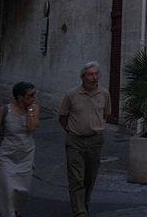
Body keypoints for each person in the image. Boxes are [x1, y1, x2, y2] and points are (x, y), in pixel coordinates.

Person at [59, 61, 111, 217]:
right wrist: (72, 130)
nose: (94, 77)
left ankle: (84, 202)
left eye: (96, 74)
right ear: (83, 77)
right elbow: (63, 117)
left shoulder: (104, 94)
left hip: (95, 141)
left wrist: (95, 127)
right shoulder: (71, 95)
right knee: (76, 178)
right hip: (75, 140)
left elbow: (106, 115)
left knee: (90, 177)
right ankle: (80, 212)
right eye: (90, 74)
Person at [0, 81, 40, 217]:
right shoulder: (5, 110)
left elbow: (32, 128)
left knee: (24, 191)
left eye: (35, 94)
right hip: (6, 155)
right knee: (6, 190)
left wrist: (29, 110)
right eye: (31, 95)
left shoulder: (34, 109)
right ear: (19, 97)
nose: (34, 97)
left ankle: (16, 211)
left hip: (26, 155)